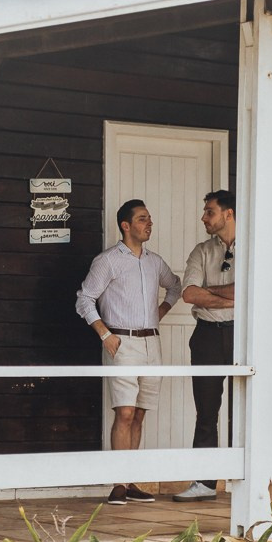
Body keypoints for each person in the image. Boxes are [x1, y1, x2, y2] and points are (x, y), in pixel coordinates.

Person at [76, 199, 181, 505]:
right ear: (126, 225)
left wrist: (159, 312)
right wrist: (104, 334)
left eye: (149, 219)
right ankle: (119, 484)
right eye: (142, 219)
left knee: (139, 413)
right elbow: (84, 299)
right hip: (121, 342)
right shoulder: (108, 260)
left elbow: (175, 286)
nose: (149, 224)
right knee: (124, 412)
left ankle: (131, 480)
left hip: (151, 344)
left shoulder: (154, 262)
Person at [173, 190, 236, 502]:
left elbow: (251, 289)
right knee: (206, 410)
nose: (203, 218)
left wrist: (209, 290)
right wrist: (232, 296)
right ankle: (204, 482)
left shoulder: (254, 247)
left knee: (250, 409)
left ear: (228, 214)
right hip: (207, 335)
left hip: (243, 334)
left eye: (209, 211)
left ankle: (259, 484)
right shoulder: (202, 251)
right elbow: (189, 294)